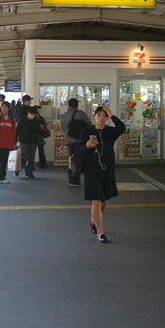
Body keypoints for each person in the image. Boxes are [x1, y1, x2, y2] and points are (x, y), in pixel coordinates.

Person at [76, 103, 127, 243]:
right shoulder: (86, 132)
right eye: (99, 115)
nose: (102, 118)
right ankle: (100, 232)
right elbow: (78, 151)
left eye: (105, 116)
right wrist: (87, 146)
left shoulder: (110, 132)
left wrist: (110, 112)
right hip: (91, 171)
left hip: (107, 170)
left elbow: (122, 128)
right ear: (94, 117)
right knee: (97, 202)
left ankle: (93, 219)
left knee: (104, 203)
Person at [60, 98, 91, 186]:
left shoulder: (64, 115)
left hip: (69, 140)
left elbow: (63, 129)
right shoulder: (80, 113)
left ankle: (70, 177)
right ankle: (75, 179)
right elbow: (89, 123)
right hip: (80, 140)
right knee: (79, 159)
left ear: (68, 105)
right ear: (77, 105)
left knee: (72, 158)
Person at [0, 100, 17, 184]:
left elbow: (14, 132)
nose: (4, 109)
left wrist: (13, 143)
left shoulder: (11, 119)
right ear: (1, 108)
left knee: (4, 161)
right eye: (3, 107)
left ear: (9, 108)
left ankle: (2, 177)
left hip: (8, 144)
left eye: (6, 107)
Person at [16, 106, 42, 180]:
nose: (32, 115)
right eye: (31, 113)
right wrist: (15, 141)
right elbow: (17, 130)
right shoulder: (22, 120)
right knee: (25, 156)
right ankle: (18, 168)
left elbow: (39, 130)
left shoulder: (36, 120)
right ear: (28, 113)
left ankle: (29, 173)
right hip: (23, 141)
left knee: (31, 157)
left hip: (33, 141)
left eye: (34, 114)